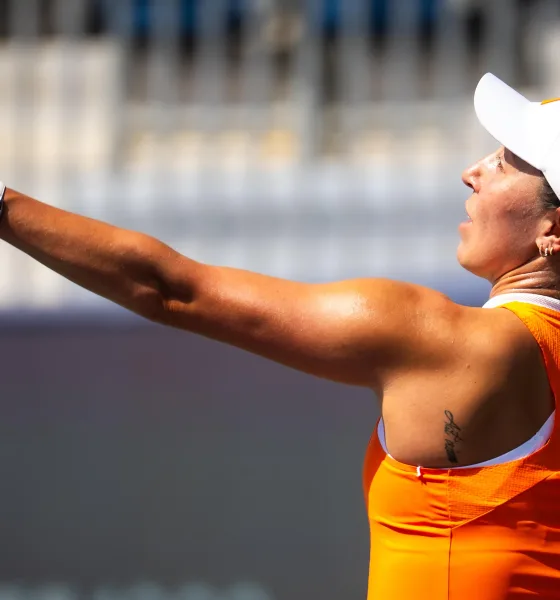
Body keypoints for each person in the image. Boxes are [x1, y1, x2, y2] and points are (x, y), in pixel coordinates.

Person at [2, 72, 560, 599]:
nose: (472, 170)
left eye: (506, 163)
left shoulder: (446, 341)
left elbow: (169, 288)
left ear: (551, 229)